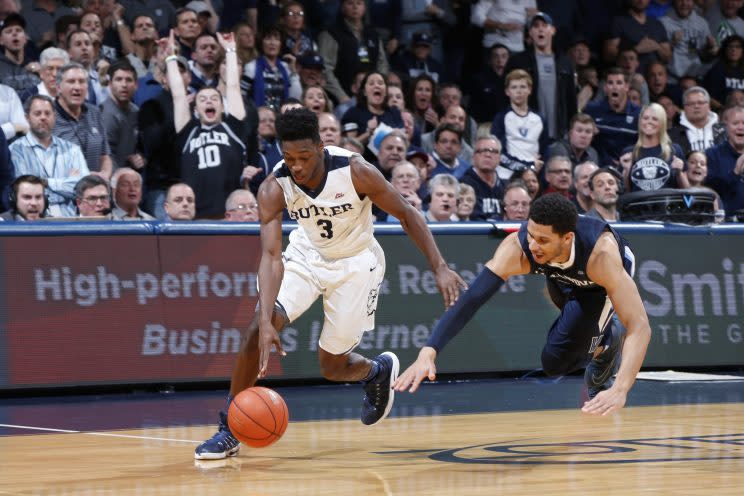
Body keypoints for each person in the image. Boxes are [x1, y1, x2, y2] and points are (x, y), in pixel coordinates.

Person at [194, 107, 465, 460]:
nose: (298, 167)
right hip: (307, 256)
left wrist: (440, 267)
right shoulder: (274, 187)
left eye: (304, 157)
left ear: (321, 147)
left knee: (332, 367)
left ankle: (377, 370)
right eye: (289, 158)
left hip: (356, 262)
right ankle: (229, 428)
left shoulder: (356, 171)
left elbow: (406, 213)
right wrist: (264, 321)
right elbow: (272, 257)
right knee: (254, 332)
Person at [394, 193, 652, 417]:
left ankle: (607, 342)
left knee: (568, 353)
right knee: (553, 364)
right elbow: (472, 298)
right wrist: (429, 350)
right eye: (531, 235)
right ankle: (602, 340)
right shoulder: (519, 248)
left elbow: (640, 326)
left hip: (598, 285)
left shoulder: (602, 257)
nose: (533, 245)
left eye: (542, 240)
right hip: (561, 275)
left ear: (567, 238)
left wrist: (620, 389)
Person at [167, 29, 247, 219]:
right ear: (195, 109)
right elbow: (178, 95)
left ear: (222, 107)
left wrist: (230, 50)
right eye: (202, 99)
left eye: (214, 99)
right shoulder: (188, 132)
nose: (209, 102)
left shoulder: (233, 127)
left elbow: (233, 86)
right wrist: (171, 56)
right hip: (194, 216)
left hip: (229, 215)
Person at [10, 94, 89, 217]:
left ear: (55, 116)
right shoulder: (15, 150)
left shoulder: (72, 150)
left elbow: (83, 189)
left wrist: (45, 182)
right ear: (27, 118)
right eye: (37, 113)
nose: (43, 117)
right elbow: (24, 191)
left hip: (70, 218)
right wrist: (66, 182)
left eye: (47, 113)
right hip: (31, 219)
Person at [620, 102, 688, 192]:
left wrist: (679, 173)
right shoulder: (629, 152)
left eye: (655, 119)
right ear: (640, 121)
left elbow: (687, 189)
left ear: (662, 123)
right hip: (639, 205)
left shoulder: (674, 150)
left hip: (667, 203)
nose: (649, 122)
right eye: (645, 118)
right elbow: (625, 193)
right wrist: (626, 170)